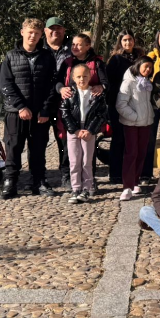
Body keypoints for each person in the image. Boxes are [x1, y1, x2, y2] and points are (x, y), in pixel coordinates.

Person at [0, 18, 59, 199]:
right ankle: (10, 181)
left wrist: (45, 109)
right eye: (30, 32)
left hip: (39, 112)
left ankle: (38, 181)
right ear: (22, 32)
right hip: (16, 112)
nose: (32, 36)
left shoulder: (47, 57)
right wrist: (20, 107)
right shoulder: (11, 56)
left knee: (39, 148)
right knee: (14, 147)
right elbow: (5, 84)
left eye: (36, 33)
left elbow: (53, 84)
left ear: (42, 35)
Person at [53, 33, 109, 192]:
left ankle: (89, 181)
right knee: (68, 149)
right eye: (73, 45)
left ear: (87, 46)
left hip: (89, 114)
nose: (74, 47)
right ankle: (69, 178)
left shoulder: (97, 63)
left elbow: (106, 83)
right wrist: (61, 89)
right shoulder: (67, 63)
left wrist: (102, 87)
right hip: (70, 112)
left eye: (78, 44)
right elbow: (57, 81)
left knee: (87, 153)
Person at [60, 64, 108, 204]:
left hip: (88, 131)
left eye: (85, 76)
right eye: (79, 76)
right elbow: (64, 112)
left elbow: (101, 114)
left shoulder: (96, 94)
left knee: (87, 161)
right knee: (74, 161)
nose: (82, 79)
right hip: (73, 131)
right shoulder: (69, 93)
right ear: (73, 78)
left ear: (90, 76)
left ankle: (86, 188)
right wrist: (75, 130)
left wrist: (91, 130)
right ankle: (76, 189)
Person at [105, 30, 142, 184]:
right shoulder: (115, 60)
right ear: (120, 42)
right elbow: (109, 82)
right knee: (119, 139)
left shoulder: (139, 58)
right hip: (119, 103)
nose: (128, 43)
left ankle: (133, 173)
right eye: (124, 40)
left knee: (134, 140)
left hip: (137, 103)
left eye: (130, 40)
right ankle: (115, 173)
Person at [117, 57, 157, 198]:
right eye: (145, 66)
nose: (148, 70)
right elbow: (121, 104)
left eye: (150, 68)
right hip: (131, 124)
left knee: (141, 153)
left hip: (145, 124)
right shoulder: (128, 82)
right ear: (138, 65)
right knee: (131, 153)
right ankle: (127, 186)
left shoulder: (147, 83)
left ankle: (135, 182)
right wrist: (134, 117)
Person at [139, 30, 160, 188]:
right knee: (150, 137)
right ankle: (145, 173)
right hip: (152, 102)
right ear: (157, 41)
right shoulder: (152, 56)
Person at [44, 17, 73, 189]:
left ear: (64, 31)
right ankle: (38, 175)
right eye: (51, 28)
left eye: (59, 28)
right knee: (38, 141)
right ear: (46, 31)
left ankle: (66, 174)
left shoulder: (72, 49)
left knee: (65, 141)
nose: (55, 31)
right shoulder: (38, 50)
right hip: (42, 102)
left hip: (65, 102)